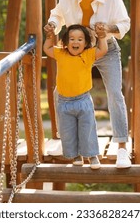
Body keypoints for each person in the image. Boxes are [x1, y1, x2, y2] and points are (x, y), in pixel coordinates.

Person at [44, 0, 132, 168]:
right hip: (76, 51)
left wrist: (108, 29)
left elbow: (124, 23)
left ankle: (122, 147)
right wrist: (51, 25)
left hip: (105, 49)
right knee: (60, 91)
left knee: (115, 93)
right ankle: (65, 134)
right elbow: (57, 15)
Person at [43, 24, 108, 169]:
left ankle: (92, 156)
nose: (75, 42)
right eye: (72, 39)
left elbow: (103, 49)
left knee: (87, 129)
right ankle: (76, 155)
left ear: (85, 43)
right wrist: (49, 37)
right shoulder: (61, 53)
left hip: (83, 100)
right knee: (68, 132)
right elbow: (47, 49)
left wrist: (102, 37)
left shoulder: (88, 54)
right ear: (66, 42)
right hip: (64, 102)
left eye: (80, 39)